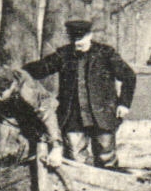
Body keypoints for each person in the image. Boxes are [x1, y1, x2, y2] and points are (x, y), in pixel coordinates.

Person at [24, 18, 137, 169]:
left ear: (90, 35)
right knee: (74, 160)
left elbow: (129, 76)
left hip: (102, 115)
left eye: (81, 38)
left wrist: (124, 104)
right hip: (73, 117)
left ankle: (108, 182)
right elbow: (42, 68)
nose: (77, 43)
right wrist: (18, 73)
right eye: (74, 39)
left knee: (106, 158)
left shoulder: (106, 53)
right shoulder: (63, 54)